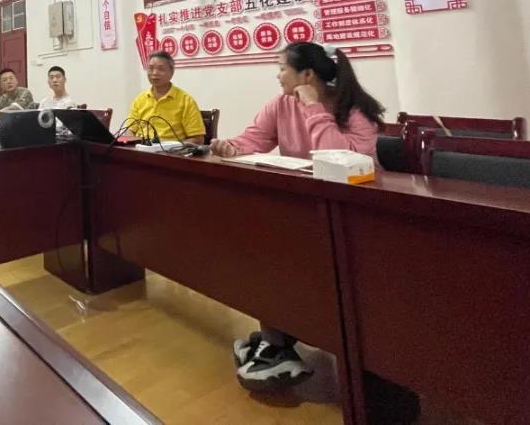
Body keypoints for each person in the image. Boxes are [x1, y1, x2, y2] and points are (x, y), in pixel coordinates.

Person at [211, 42, 384, 392]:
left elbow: (338, 161)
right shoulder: (280, 104)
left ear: (306, 75)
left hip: (359, 215)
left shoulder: (354, 110)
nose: (277, 76)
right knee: (264, 247)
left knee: (283, 254)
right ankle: (276, 341)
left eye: (282, 69)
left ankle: (282, 342)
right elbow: (255, 139)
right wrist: (231, 146)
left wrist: (313, 107)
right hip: (307, 210)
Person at [126, 50, 205, 144]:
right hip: (141, 149)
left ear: (171, 72)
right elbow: (130, 131)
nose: (154, 73)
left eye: (161, 69)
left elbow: (197, 138)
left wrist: (175, 148)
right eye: (151, 68)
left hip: (170, 151)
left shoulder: (186, 101)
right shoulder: (139, 99)